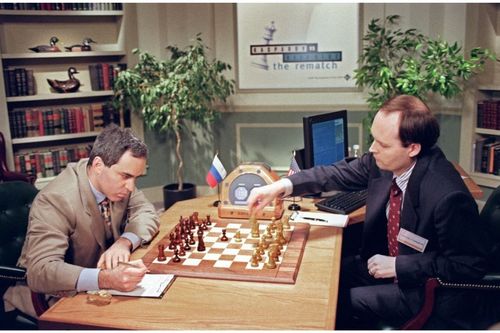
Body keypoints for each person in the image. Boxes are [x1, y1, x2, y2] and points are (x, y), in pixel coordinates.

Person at [247, 95, 495, 329]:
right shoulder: (386, 161)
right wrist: (282, 185)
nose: (373, 149)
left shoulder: (447, 196)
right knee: (320, 278)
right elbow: (336, 173)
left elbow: (469, 265)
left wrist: (400, 265)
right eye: (373, 139)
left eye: (383, 144)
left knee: (336, 302)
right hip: (385, 264)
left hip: (423, 290)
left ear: (413, 148)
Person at [3, 124, 160, 319]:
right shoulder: (56, 199)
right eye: (126, 176)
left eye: (135, 178)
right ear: (98, 166)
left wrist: (124, 242)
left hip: (97, 284)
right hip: (52, 295)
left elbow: (147, 212)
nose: (130, 186)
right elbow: (41, 271)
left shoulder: (117, 183)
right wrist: (104, 279)